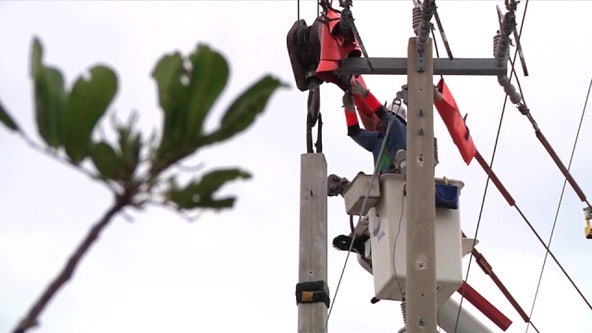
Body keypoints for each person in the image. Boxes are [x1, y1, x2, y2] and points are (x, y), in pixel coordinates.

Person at [342, 79, 408, 175]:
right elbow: (355, 133)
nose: (380, 122)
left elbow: (385, 117)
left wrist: (366, 95)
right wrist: (349, 110)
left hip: (399, 184)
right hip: (382, 185)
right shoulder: (379, 139)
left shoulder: (402, 133)